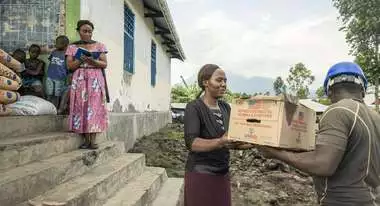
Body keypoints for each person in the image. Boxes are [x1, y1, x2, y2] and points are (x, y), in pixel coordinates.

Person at [259, 62, 380, 206]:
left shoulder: (337, 111)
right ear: (363, 90)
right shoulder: (375, 117)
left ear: (329, 90)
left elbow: (322, 164)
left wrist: (274, 153)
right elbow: (339, 151)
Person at [183, 64, 253, 206]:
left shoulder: (226, 107)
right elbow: (192, 143)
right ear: (205, 82)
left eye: (225, 81)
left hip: (222, 174)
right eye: (219, 80)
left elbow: (232, 140)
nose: (223, 84)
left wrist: (255, 143)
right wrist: (220, 142)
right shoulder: (194, 107)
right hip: (201, 175)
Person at [66, 20, 108, 150]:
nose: (88, 34)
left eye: (90, 31)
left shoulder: (100, 46)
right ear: (78, 31)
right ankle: (85, 140)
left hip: (95, 79)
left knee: (94, 107)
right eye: (85, 31)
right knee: (81, 106)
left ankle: (93, 140)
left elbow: (104, 64)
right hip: (79, 79)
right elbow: (69, 66)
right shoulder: (72, 47)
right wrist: (80, 60)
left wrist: (92, 60)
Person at [46, 35, 70, 109]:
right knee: (49, 93)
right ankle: (48, 107)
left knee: (57, 94)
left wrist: (68, 76)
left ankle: (55, 108)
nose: (55, 44)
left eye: (57, 43)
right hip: (50, 76)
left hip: (60, 78)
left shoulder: (67, 54)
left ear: (64, 45)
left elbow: (68, 66)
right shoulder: (54, 52)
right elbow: (51, 61)